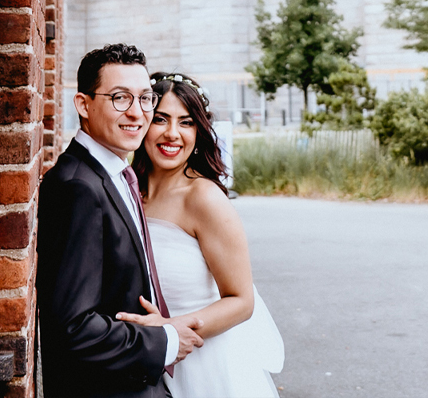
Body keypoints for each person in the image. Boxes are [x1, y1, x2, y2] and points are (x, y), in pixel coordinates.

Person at [37, 43, 200, 398]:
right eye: (120, 98)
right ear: (83, 105)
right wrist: (166, 341)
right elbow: (73, 327)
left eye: (145, 98)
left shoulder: (114, 172)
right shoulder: (77, 188)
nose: (137, 113)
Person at [121, 72, 285, 398]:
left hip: (208, 368)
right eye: (161, 119)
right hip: (145, 363)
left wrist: (171, 329)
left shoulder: (204, 199)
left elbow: (241, 301)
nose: (172, 134)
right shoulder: (126, 189)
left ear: (199, 130)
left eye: (186, 122)